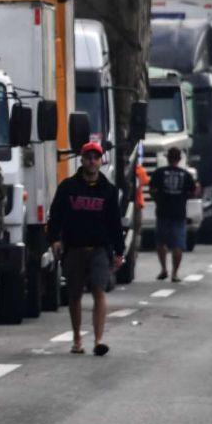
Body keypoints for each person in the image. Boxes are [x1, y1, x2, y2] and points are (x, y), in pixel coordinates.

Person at [48, 141, 125, 357]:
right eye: (88, 157)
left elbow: (115, 223)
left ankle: (99, 340)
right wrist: (54, 239)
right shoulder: (68, 187)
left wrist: (119, 252)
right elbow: (56, 215)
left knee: (99, 291)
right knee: (74, 294)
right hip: (74, 248)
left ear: (101, 161)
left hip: (100, 249)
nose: (92, 161)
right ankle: (77, 338)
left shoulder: (108, 191)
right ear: (81, 160)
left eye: (96, 157)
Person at [149, 146, 200, 282]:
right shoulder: (186, 174)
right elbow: (194, 192)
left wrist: (158, 200)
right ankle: (175, 273)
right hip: (179, 213)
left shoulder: (159, 172)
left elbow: (152, 190)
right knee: (177, 245)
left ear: (168, 158)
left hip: (162, 212)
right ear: (179, 159)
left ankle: (163, 269)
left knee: (161, 243)